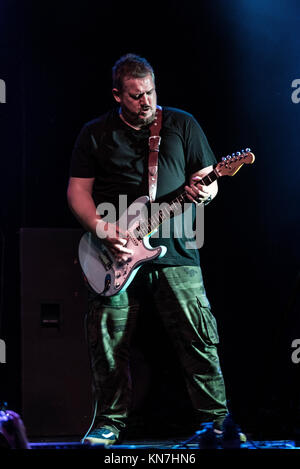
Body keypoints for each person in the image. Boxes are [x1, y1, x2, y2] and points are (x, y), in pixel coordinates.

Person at [67, 53, 228, 446]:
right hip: (112, 255)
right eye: (136, 96)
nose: (146, 103)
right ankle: (109, 424)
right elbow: (77, 192)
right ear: (118, 94)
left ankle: (218, 424)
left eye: (151, 93)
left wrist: (207, 190)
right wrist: (104, 231)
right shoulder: (95, 133)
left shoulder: (182, 124)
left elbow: (208, 182)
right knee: (108, 341)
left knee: (197, 336)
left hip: (176, 251)